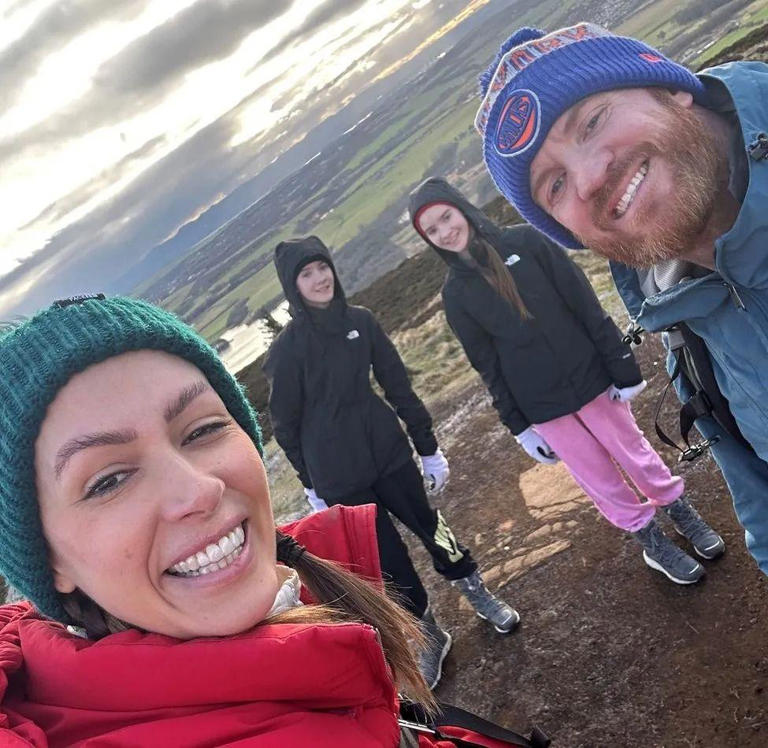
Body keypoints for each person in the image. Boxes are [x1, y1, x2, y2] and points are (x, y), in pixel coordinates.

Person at [0, 294, 439, 746]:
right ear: (50, 562)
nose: (198, 490)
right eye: (109, 481)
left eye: (203, 429)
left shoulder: (311, 589)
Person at [474, 22, 768, 573]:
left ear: (673, 88)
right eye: (554, 186)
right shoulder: (683, 322)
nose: (587, 179)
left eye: (592, 120)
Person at [409, 177, 724, 585]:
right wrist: (520, 428)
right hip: (542, 407)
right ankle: (651, 542)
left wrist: (621, 367)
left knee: (634, 453)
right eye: (432, 231)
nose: (444, 232)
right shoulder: (456, 295)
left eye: (445, 218)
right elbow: (487, 366)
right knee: (598, 478)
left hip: (591, 379)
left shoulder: (527, 243)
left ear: (461, 209)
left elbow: (585, 305)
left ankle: (682, 513)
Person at [263, 236, 519, 688]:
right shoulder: (287, 351)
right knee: (388, 562)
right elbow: (286, 425)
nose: (320, 278)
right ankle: (429, 633)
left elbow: (398, 385)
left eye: (322, 267)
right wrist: (311, 485)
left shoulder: (361, 321)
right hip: (340, 477)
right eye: (306, 273)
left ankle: (477, 592)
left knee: (434, 529)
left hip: (389, 454)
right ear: (292, 285)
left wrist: (428, 447)